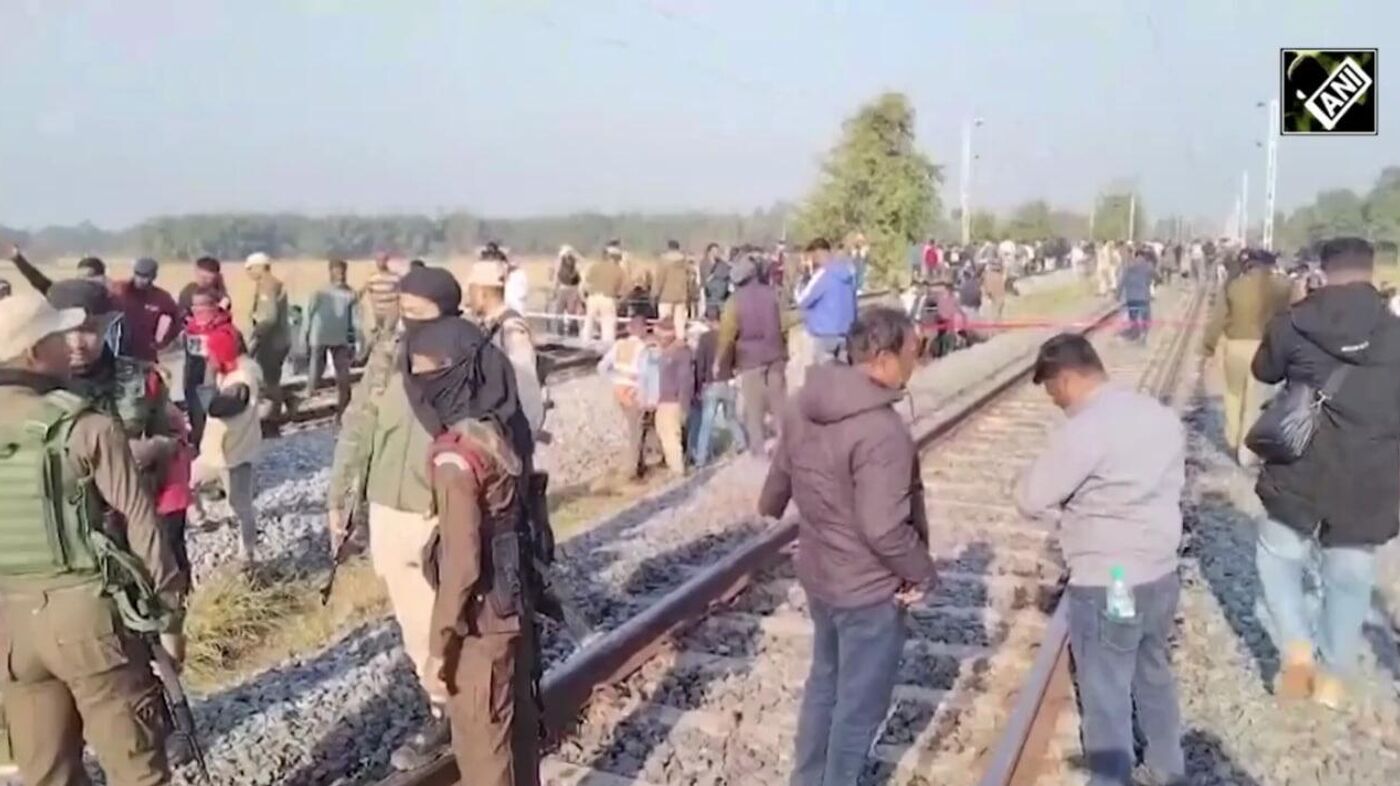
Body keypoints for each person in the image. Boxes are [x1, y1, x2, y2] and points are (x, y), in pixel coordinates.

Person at [0, 292, 187, 786]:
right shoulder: (85, 426)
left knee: (47, 773)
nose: (71, 344)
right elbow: (141, 521)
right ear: (34, 352)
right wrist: (169, 616)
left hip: (11, 631)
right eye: (58, 336)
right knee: (137, 771)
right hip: (88, 622)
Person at [758, 306, 936, 786]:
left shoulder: (803, 402)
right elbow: (883, 529)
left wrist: (771, 504)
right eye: (912, 351)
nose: (916, 361)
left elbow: (779, 476)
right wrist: (923, 572)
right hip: (867, 589)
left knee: (825, 685)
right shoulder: (882, 432)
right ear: (883, 359)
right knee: (858, 710)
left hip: (821, 576)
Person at [1016, 333, 1186, 786]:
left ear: (1066, 379)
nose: (1054, 402)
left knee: (1105, 688)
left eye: (1051, 391)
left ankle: (1111, 779)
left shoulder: (1086, 429)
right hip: (1161, 573)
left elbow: (1031, 497)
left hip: (1113, 579)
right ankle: (1168, 768)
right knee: (1153, 673)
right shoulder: (1159, 416)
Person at [1250, 237, 1400, 709]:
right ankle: (1333, 679)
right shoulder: (1395, 330)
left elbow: (1264, 371)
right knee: (1350, 576)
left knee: (1278, 556)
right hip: (1372, 474)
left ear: (1323, 270)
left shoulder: (1295, 321)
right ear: (1372, 271)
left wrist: (1293, 314)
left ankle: (1296, 646)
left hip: (1300, 466)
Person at [403, 309, 540, 786]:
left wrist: (439, 647)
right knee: (517, 731)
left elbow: (462, 564)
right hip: (512, 603)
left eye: (427, 371)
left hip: (479, 624)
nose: (420, 383)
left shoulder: (454, 458)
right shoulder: (496, 433)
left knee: (484, 749)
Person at [48, 280, 194, 582]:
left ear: (106, 326)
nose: (76, 343)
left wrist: (155, 448)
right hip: (64, 538)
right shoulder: (34, 392)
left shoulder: (141, 380)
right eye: (65, 331)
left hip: (135, 525)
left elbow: (173, 443)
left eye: (88, 330)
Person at [187, 291, 264, 568]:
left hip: (235, 453)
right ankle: (198, 517)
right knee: (187, 482)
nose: (208, 360)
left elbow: (216, 407)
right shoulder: (233, 371)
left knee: (240, 506)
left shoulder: (242, 379)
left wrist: (208, 379)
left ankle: (248, 553)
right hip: (215, 450)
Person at [1199, 249, 1292, 465]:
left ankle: (1232, 440)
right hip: (1266, 348)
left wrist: (1208, 347)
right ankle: (1246, 450)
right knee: (1255, 399)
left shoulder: (1233, 286)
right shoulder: (1282, 287)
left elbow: (1218, 318)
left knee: (1233, 394)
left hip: (1235, 347)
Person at [716, 254, 787, 458]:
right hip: (775, 354)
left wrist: (719, 360)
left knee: (754, 408)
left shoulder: (734, 302)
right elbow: (785, 323)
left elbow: (727, 334)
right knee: (779, 403)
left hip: (749, 359)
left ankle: (758, 450)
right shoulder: (774, 294)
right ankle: (785, 444)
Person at [467, 260, 546, 438]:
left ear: (482, 293)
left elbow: (525, 380)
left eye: (471, 293)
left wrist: (525, 431)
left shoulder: (511, 329)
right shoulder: (490, 325)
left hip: (511, 430)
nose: (469, 300)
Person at [597, 316, 659, 483]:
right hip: (634, 393)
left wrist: (616, 378)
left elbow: (602, 367)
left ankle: (640, 462)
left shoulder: (619, 345)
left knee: (637, 428)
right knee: (636, 432)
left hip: (619, 391)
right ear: (644, 330)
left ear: (630, 329)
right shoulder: (644, 349)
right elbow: (646, 375)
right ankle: (634, 469)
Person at [689, 313, 746, 466]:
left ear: (708, 321)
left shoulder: (705, 339)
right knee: (730, 417)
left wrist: (698, 386)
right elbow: (737, 359)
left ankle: (701, 458)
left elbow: (700, 363)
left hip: (711, 384)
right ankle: (741, 443)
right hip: (729, 381)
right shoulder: (729, 338)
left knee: (706, 423)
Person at [305, 259, 359, 418]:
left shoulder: (349, 293)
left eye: (342, 272)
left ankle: (342, 407)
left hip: (336, 337)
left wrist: (353, 339)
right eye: (337, 272)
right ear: (331, 272)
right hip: (321, 335)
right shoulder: (321, 292)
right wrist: (306, 333)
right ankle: (309, 396)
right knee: (317, 370)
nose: (341, 275)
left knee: (342, 375)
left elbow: (354, 319)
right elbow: (309, 312)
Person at [244, 252, 292, 422]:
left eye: (250, 268)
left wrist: (256, 338)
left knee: (269, 380)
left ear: (260, 267)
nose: (248, 273)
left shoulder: (267, 285)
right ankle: (281, 407)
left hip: (271, 342)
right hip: (279, 340)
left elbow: (269, 318)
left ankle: (274, 416)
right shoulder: (272, 284)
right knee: (272, 378)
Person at [105, 257, 181, 363]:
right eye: (138, 274)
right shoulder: (120, 291)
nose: (141, 280)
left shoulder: (162, 298)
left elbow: (176, 322)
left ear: (154, 276)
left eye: (145, 276)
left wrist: (162, 343)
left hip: (146, 356)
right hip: (117, 354)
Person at [796, 237, 857, 367]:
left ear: (816, 254)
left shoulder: (823, 274)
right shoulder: (847, 273)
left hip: (823, 335)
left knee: (824, 377)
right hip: (846, 334)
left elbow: (802, 300)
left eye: (810, 257)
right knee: (844, 376)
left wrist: (803, 277)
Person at [653, 319, 694, 477]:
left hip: (673, 401)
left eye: (659, 336)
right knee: (665, 434)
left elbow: (686, 380)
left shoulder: (680, 353)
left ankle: (677, 471)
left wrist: (684, 405)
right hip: (664, 400)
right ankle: (674, 467)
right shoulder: (668, 352)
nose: (657, 339)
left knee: (671, 437)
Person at [582, 243, 628, 346]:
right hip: (608, 299)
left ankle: (585, 344)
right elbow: (625, 289)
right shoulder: (619, 270)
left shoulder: (595, 266)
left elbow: (586, 283)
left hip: (593, 297)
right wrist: (620, 301)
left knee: (589, 323)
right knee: (608, 325)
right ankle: (607, 347)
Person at [361, 252, 404, 343]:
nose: (380, 262)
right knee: (375, 337)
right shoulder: (372, 277)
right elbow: (366, 291)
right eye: (378, 260)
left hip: (391, 311)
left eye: (382, 260)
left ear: (387, 261)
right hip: (377, 312)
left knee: (388, 337)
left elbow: (401, 293)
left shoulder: (395, 277)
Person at [652, 240, 692, 337]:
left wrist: (654, 294)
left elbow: (659, 279)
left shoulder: (663, 262)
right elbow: (690, 280)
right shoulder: (685, 263)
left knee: (665, 323)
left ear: (669, 247)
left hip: (666, 297)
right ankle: (680, 341)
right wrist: (690, 294)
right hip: (681, 297)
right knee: (680, 324)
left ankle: (665, 341)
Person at [1118, 248, 1156, 343]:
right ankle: (1144, 335)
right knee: (1145, 318)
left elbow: (1122, 281)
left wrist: (1118, 294)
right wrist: (1151, 282)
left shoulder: (1128, 266)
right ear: (1144, 256)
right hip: (1144, 297)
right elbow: (1157, 277)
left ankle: (1135, 334)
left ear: (1136, 255)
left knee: (1133, 318)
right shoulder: (1148, 266)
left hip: (1131, 298)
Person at [550, 245, 584, 335]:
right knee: (570, 311)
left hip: (565, 288)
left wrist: (554, 290)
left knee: (562, 311)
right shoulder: (572, 263)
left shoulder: (564, 263)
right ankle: (571, 330)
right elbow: (582, 264)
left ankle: (563, 330)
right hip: (571, 288)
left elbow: (556, 276)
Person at [700, 243, 732, 320]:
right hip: (709, 293)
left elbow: (727, 272)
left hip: (721, 293)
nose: (715, 253)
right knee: (710, 314)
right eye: (713, 251)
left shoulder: (721, 263)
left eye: (717, 251)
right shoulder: (704, 263)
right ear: (709, 252)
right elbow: (705, 277)